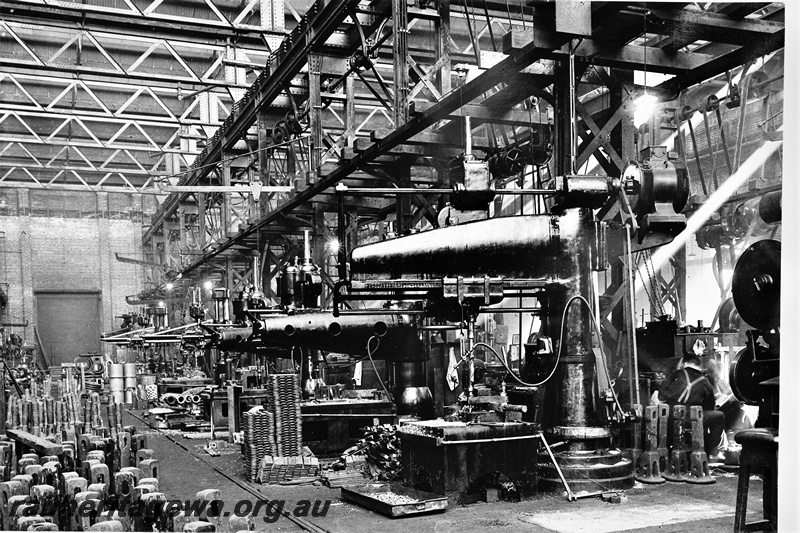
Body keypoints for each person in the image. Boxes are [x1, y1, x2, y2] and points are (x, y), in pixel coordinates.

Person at [657, 352, 725, 459]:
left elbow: (661, 397)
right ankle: (711, 451)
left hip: (671, 417)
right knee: (719, 416)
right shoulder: (705, 382)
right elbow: (710, 406)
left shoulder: (675, 374)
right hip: (691, 419)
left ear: (683, 363)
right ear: (699, 366)